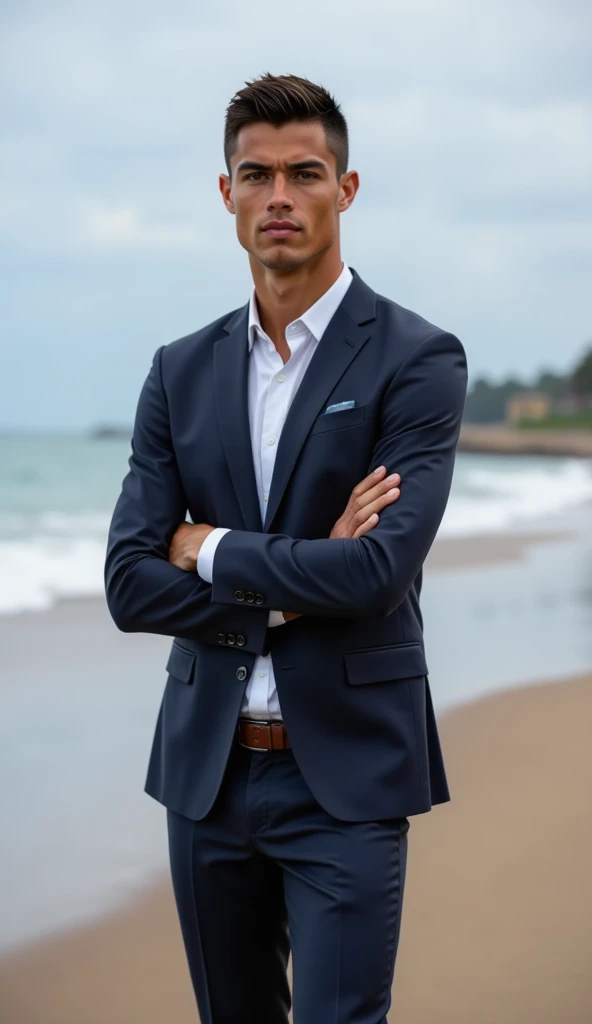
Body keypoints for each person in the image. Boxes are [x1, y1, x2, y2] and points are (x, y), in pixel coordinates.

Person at [104, 72, 468, 1024]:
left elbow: (377, 572)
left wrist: (209, 545)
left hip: (343, 778)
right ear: (225, 193)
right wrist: (294, 585)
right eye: (255, 175)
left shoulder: (417, 358)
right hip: (207, 774)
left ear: (345, 190)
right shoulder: (178, 371)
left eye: (304, 173)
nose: (279, 197)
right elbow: (130, 585)